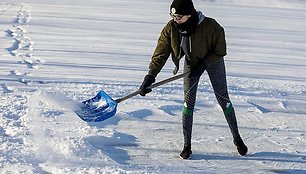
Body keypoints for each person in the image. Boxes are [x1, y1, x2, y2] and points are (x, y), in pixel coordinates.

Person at [139, 0, 248, 159]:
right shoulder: (171, 28)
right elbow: (161, 53)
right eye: (173, 16)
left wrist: (205, 63)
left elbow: (221, 49)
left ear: (190, 14)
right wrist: (150, 76)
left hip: (213, 61)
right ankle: (187, 145)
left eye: (179, 16)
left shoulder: (211, 26)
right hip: (191, 63)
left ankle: (237, 138)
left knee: (223, 98)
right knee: (188, 102)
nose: (176, 19)